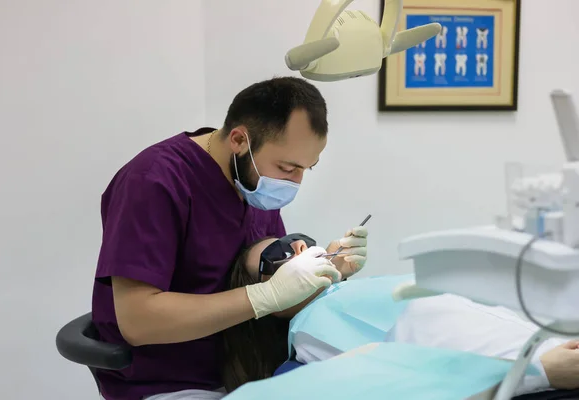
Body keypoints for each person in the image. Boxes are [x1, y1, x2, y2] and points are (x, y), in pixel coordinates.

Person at [91, 76, 369, 400]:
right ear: (239, 140)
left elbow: (273, 299)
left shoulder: (252, 187)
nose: (296, 182)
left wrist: (326, 272)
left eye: (307, 168)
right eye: (287, 167)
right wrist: (264, 296)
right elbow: (138, 322)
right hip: (168, 384)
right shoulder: (154, 182)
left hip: (247, 372)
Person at [227, 234, 579, 396]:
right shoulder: (310, 331)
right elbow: (412, 377)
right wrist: (539, 372)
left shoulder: (353, 291)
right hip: (539, 371)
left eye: (296, 239)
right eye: (277, 255)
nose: (299, 247)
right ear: (265, 298)